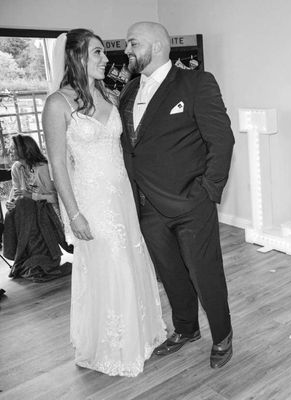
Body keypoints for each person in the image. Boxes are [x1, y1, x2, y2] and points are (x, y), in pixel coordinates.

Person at [42, 28, 166, 377]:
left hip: (122, 196)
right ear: (76, 57)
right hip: (91, 202)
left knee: (129, 260)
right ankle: (114, 347)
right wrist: (74, 214)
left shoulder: (110, 96)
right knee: (111, 267)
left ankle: (138, 337)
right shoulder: (58, 104)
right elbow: (58, 165)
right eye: (96, 53)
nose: (105, 59)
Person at [119, 21, 235, 369]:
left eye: (132, 43)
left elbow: (222, 140)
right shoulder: (128, 90)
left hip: (190, 203)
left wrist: (207, 192)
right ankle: (186, 329)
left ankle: (222, 335)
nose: (126, 49)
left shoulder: (197, 83)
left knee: (205, 272)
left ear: (155, 46)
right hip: (146, 206)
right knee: (169, 273)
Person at [2, 134, 71, 282]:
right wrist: (11, 202)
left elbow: (55, 197)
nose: (10, 150)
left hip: (46, 209)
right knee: (16, 208)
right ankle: (26, 257)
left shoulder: (42, 167)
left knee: (26, 205)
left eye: (13, 148)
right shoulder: (16, 168)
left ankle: (40, 258)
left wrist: (32, 196)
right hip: (26, 209)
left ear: (24, 149)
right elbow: (15, 192)